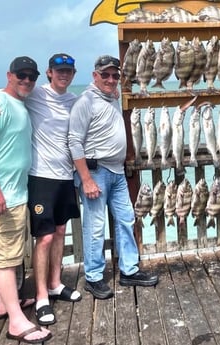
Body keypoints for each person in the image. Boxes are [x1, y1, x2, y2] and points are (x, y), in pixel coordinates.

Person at [0, 53, 82, 326]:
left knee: (60, 231)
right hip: (39, 177)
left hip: (65, 176)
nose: (27, 80)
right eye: (58, 70)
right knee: (43, 238)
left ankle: (54, 284)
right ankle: (41, 296)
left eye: (68, 71)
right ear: (50, 73)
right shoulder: (32, 96)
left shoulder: (73, 100)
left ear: (74, 74)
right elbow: (4, 97)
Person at [68, 55, 158, 300]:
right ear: (94, 75)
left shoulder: (110, 97)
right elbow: (74, 142)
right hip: (95, 172)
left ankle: (129, 270)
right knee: (95, 226)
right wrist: (85, 179)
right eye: (105, 75)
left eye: (115, 76)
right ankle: (94, 277)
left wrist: (114, 94)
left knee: (126, 220)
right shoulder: (85, 101)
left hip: (117, 172)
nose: (110, 79)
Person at [0, 56, 52, 343]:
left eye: (32, 76)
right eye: (21, 75)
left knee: (3, 253)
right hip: (3, 195)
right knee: (5, 258)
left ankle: (5, 303)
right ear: (9, 74)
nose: (27, 80)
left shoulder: (16, 103)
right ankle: (16, 321)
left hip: (15, 193)